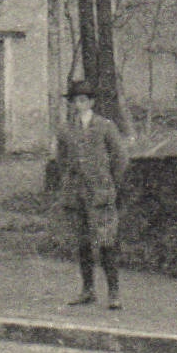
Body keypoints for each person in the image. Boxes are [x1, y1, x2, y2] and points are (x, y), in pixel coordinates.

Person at [55, 80, 129, 309]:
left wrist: (109, 183)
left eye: (84, 100)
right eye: (76, 101)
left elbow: (120, 158)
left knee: (107, 242)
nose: (80, 104)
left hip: (100, 193)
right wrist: (69, 183)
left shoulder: (105, 126)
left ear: (92, 102)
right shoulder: (66, 129)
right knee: (83, 243)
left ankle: (114, 293)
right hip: (76, 195)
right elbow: (61, 160)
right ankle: (87, 291)